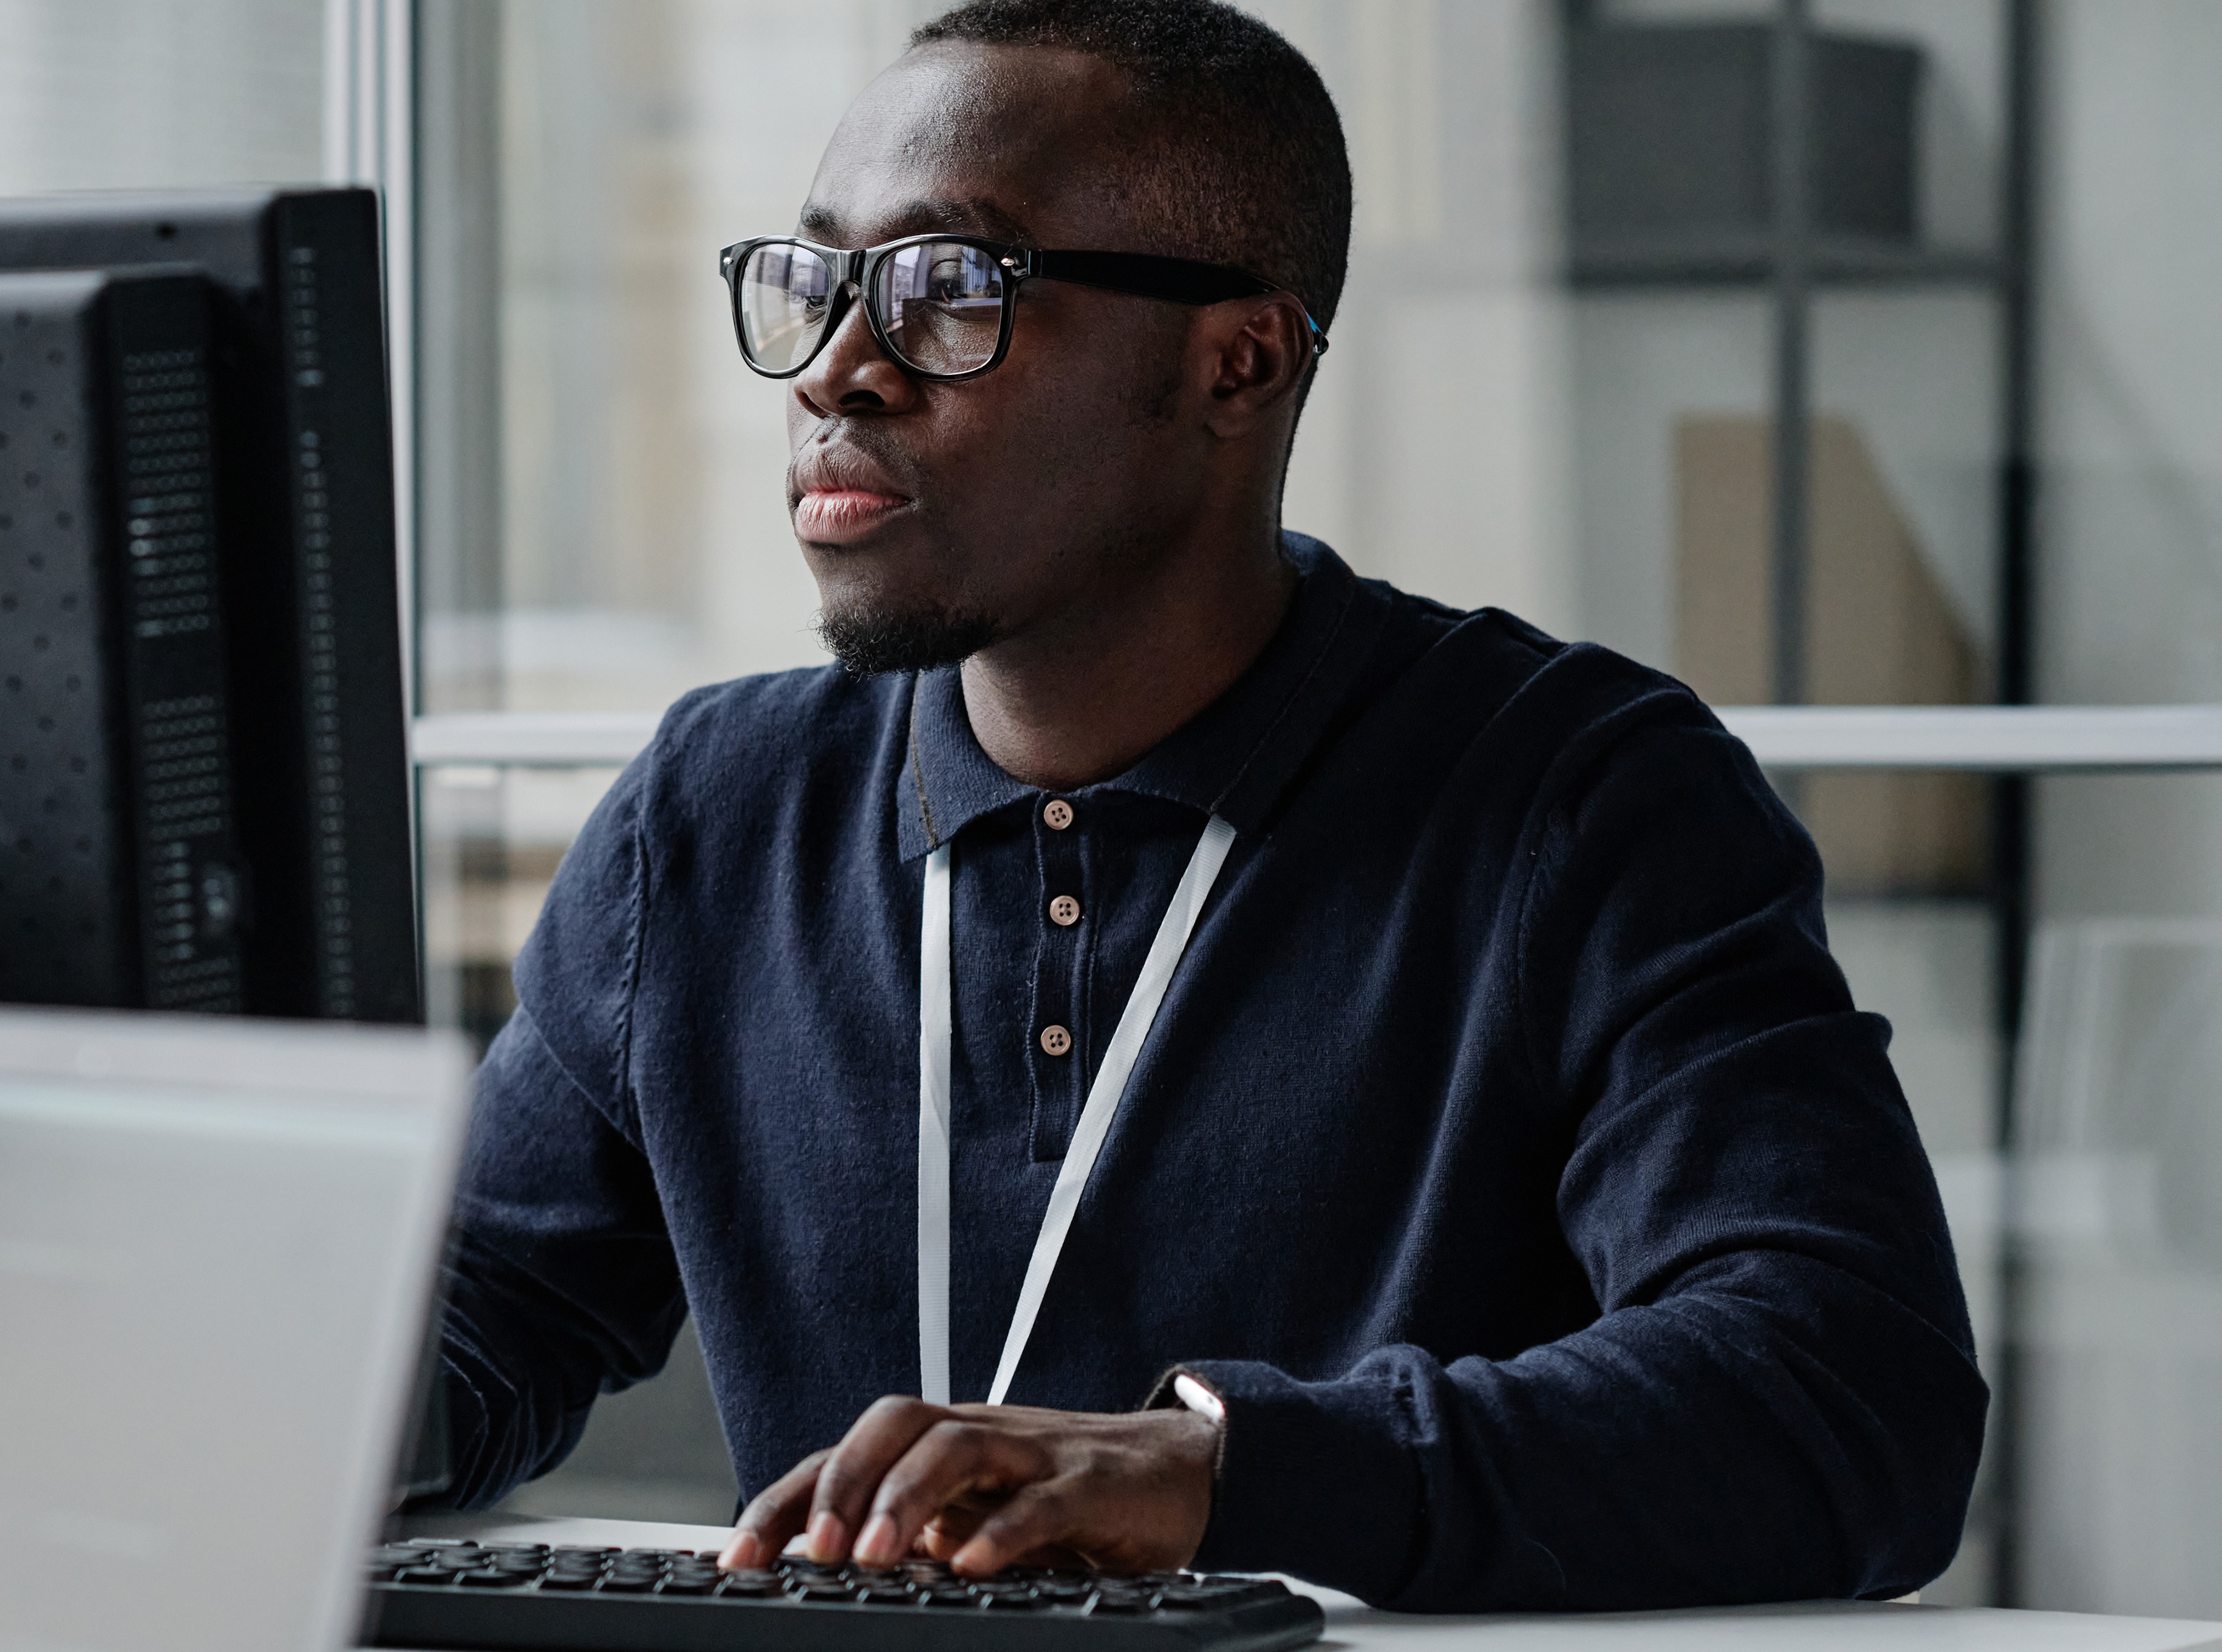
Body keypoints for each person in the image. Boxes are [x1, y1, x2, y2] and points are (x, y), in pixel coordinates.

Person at [419, 0, 1985, 1614]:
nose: (837, 369)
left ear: (1236, 364)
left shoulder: (1576, 798)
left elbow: (1848, 1388)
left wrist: (1227, 1477)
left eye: (951, 290)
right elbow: (471, 1325)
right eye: (818, 282)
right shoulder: (715, 814)